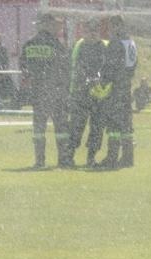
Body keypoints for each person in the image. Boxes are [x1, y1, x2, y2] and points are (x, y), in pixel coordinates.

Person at [18, 13, 69, 168]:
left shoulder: (29, 44)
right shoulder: (56, 44)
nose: (56, 28)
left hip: (38, 93)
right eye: (54, 25)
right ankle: (62, 160)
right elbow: (65, 67)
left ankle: (40, 161)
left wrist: (34, 78)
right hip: (56, 93)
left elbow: (23, 68)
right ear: (48, 24)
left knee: (39, 129)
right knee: (60, 128)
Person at [95, 15, 136, 169]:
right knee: (126, 125)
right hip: (126, 86)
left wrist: (102, 80)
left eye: (112, 26)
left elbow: (110, 66)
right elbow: (132, 66)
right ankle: (128, 157)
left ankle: (111, 157)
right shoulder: (130, 42)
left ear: (117, 26)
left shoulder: (115, 43)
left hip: (116, 88)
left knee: (113, 124)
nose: (111, 30)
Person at [66, 22, 106, 167]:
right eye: (89, 30)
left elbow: (106, 67)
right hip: (80, 93)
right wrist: (85, 79)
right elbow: (73, 66)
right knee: (76, 126)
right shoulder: (78, 47)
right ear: (84, 32)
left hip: (98, 94)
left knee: (97, 127)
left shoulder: (103, 47)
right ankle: (69, 157)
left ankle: (91, 158)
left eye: (95, 30)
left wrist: (98, 78)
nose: (92, 33)